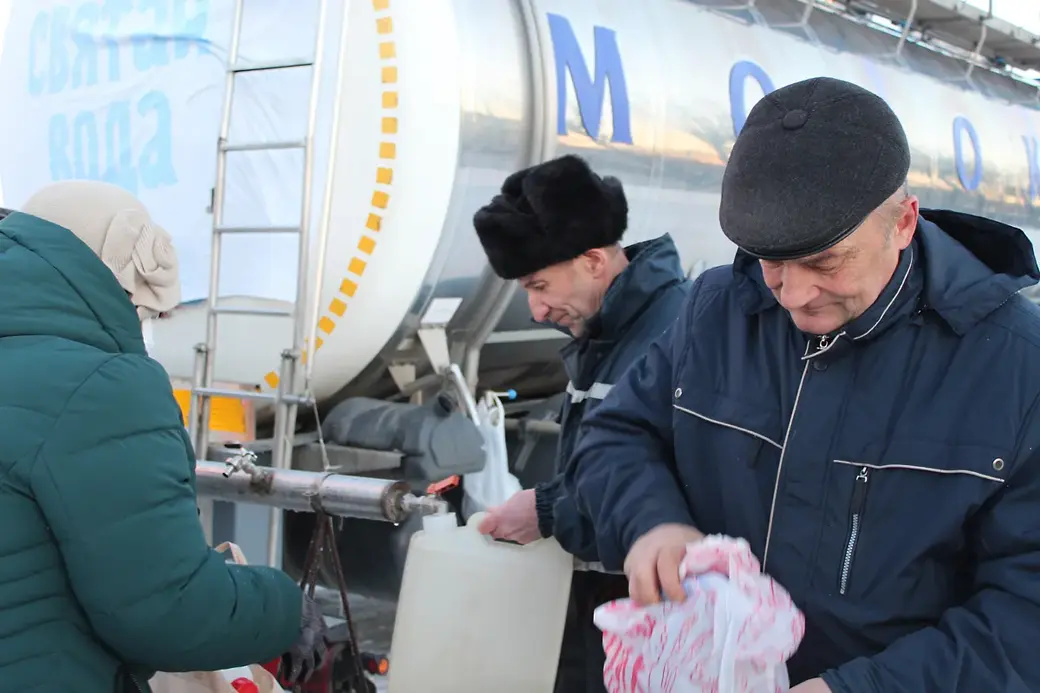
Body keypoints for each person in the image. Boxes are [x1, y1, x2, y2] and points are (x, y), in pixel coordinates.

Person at [566, 76, 1040, 693]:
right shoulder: (716, 309)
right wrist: (652, 521)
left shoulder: (1015, 368)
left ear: (903, 223)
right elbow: (616, 434)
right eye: (770, 260)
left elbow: (1024, 612)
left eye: (824, 262)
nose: (792, 293)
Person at [0, 181, 327, 692]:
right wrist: (286, 608)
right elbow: (167, 612)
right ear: (115, 281)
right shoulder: (101, 386)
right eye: (146, 307)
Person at [471, 154, 691, 692]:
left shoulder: (672, 336)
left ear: (593, 261)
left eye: (539, 285)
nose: (536, 310)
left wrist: (546, 510)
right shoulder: (606, 338)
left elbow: (664, 490)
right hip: (602, 614)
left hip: (645, 621)